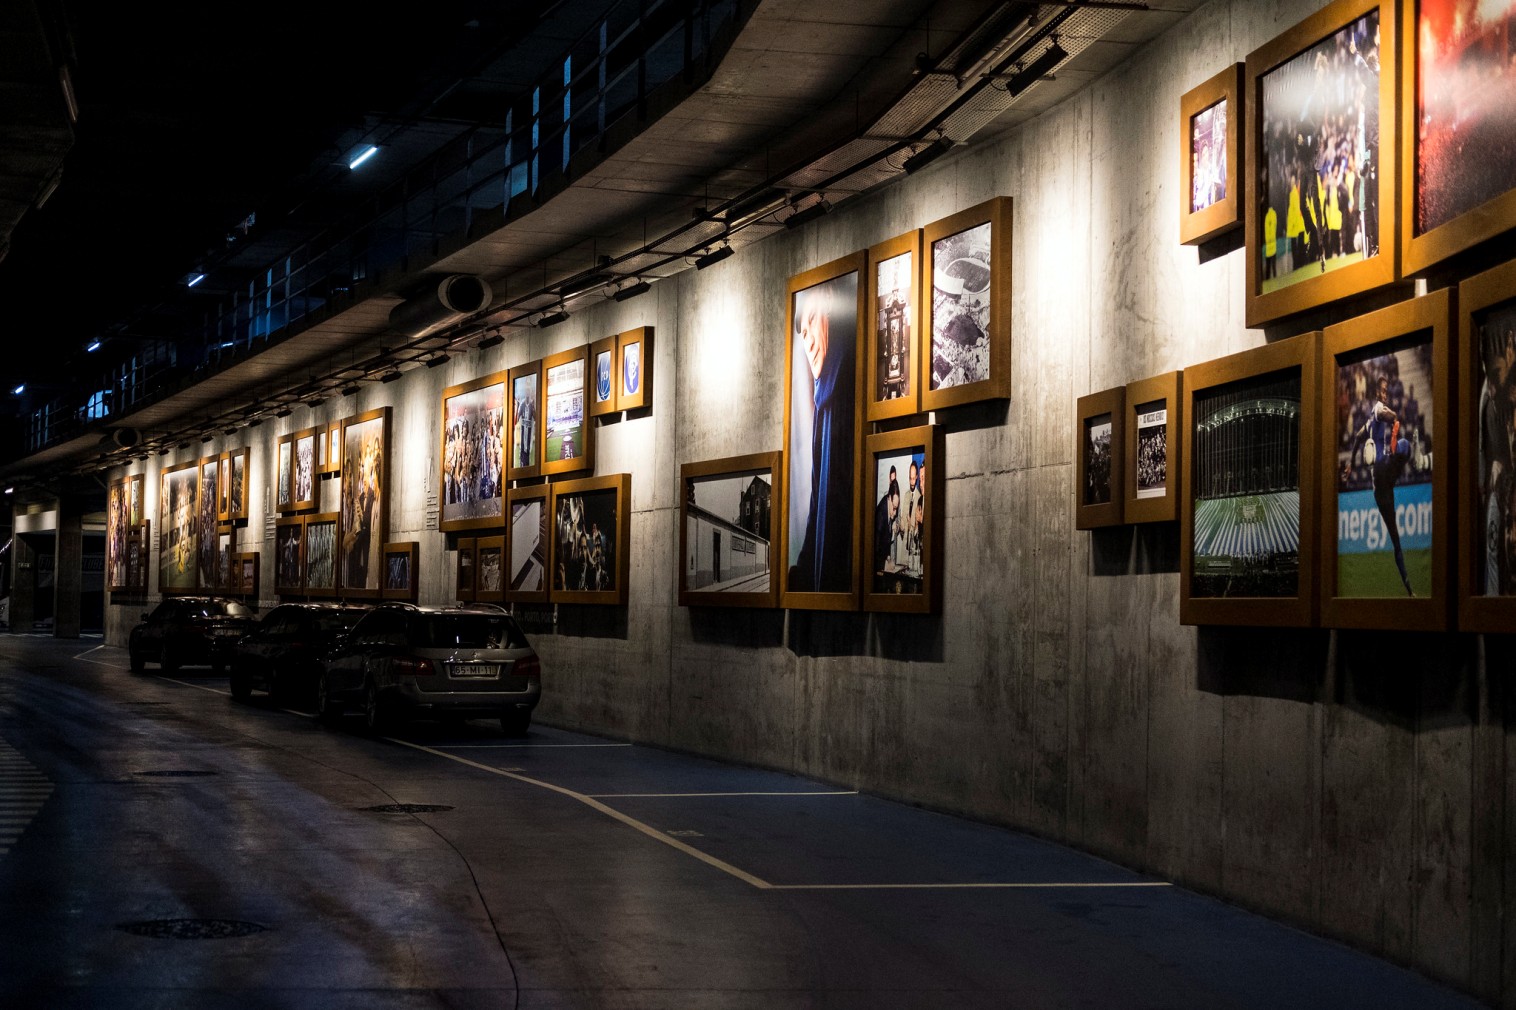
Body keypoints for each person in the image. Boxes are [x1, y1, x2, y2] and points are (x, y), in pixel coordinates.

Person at [790, 284, 856, 593]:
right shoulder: (822, 408)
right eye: (803, 335)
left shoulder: (852, 374)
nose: (811, 342)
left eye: (814, 320)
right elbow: (819, 499)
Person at [1343, 374, 1414, 596]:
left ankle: (1409, 590)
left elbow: (1357, 436)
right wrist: (1394, 416)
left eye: (1386, 391)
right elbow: (1386, 414)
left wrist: (1350, 463)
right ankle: (1409, 587)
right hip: (1380, 483)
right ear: (1376, 393)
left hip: (1386, 479)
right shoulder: (1377, 409)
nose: (1385, 394)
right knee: (1395, 538)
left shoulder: (1370, 422)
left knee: (1404, 445)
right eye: (1382, 391)